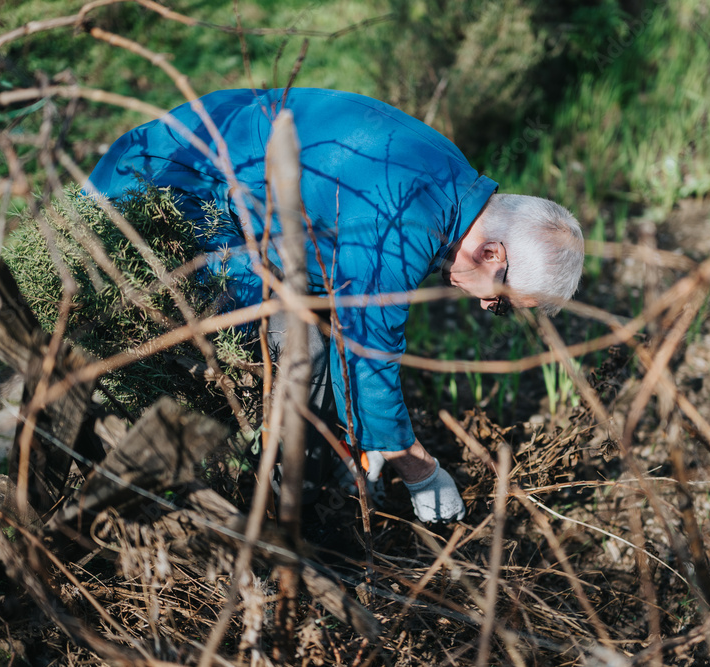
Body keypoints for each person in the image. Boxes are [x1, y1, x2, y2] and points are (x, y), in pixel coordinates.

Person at [86, 88, 584, 522]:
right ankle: (286, 524)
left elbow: (352, 307)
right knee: (305, 349)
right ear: (492, 254)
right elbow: (368, 349)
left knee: (315, 328)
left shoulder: (451, 180)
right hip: (161, 194)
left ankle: (314, 478)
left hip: (190, 162)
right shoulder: (411, 223)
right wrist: (419, 471)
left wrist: (365, 442)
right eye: (498, 301)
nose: (483, 307)